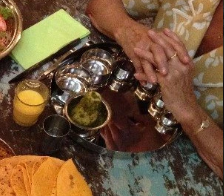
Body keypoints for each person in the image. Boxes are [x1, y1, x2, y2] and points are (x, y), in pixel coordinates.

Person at [86, 0, 223, 179]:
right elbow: (100, 6)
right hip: (122, 118)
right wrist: (129, 31)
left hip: (185, 174)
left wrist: (188, 109)